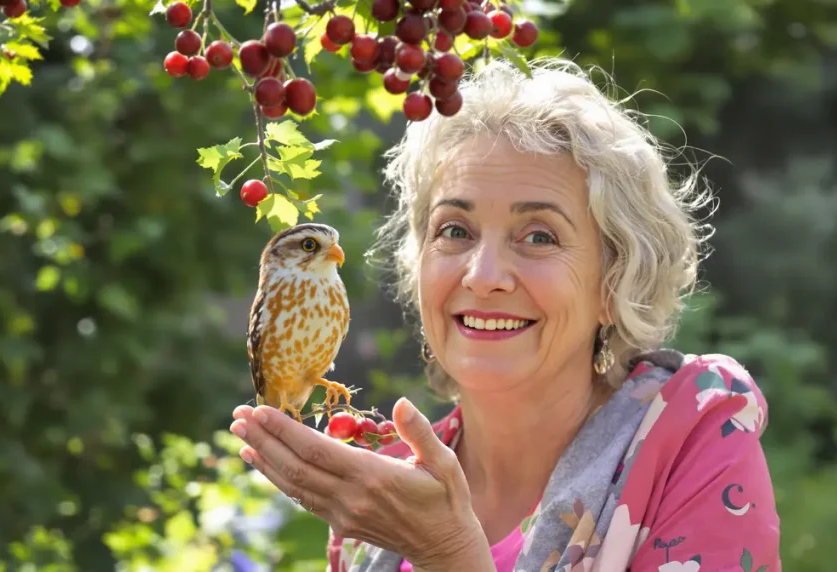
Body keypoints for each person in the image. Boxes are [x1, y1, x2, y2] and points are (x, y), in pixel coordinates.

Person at [228, 56, 781, 572]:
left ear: (618, 282)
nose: (482, 274)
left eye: (539, 236)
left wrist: (446, 553)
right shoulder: (382, 486)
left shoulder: (692, 430)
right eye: (455, 231)